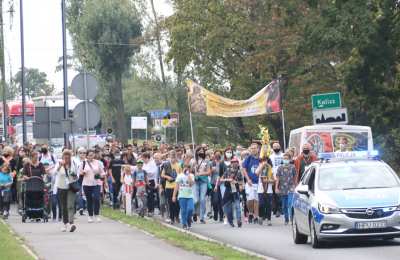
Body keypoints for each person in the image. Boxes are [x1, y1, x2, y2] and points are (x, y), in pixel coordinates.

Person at [55, 150, 79, 232]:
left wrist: (73, 174)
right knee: (63, 206)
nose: (66, 159)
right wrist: (60, 166)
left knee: (70, 205)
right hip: (61, 187)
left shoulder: (74, 164)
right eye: (65, 157)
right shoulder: (59, 163)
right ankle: (65, 224)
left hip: (71, 187)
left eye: (68, 157)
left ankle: (71, 223)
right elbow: (54, 173)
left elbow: (77, 176)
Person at [79, 149, 105, 223]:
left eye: (92, 155)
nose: (91, 156)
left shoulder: (98, 163)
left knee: (96, 198)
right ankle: (90, 216)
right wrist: (83, 173)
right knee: (89, 199)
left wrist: (100, 175)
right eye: (89, 155)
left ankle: (97, 215)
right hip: (86, 184)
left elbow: (103, 172)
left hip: (96, 183)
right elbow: (79, 174)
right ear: (86, 156)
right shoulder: (83, 163)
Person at [220, 157, 243, 227]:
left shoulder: (239, 172)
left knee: (237, 206)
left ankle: (239, 220)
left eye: (236, 162)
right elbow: (221, 179)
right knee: (227, 207)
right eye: (233, 162)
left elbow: (241, 182)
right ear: (231, 163)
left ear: (238, 163)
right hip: (228, 190)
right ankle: (230, 221)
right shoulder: (227, 171)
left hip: (235, 190)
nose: (234, 163)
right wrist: (228, 179)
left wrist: (238, 184)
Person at [173, 156, 195, 230]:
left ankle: (188, 219)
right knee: (183, 210)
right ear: (182, 168)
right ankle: (184, 224)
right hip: (182, 196)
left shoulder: (191, 175)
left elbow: (191, 184)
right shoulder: (179, 176)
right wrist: (174, 196)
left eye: (188, 167)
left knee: (190, 209)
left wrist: (188, 176)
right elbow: (176, 186)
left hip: (190, 196)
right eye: (185, 167)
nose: (187, 169)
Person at [275, 153, 296, 225]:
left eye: (287, 158)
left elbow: (295, 177)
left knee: (290, 204)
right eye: (284, 158)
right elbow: (277, 178)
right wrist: (276, 187)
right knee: (284, 206)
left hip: (290, 188)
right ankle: (286, 219)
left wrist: (295, 186)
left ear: (289, 159)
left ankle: (291, 219)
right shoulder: (280, 168)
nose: (285, 160)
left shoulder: (293, 167)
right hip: (282, 188)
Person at [242, 142, 260, 224]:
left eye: (255, 148)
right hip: (250, 182)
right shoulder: (248, 158)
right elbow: (244, 169)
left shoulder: (261, 158)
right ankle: (250, 213)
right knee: (250, 200)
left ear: (258, 149)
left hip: (259, 183)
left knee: (256, 200)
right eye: (252, 148)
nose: (253, 150)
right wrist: (248, 179)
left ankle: (256, 216)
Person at [161, 151, 181, 224]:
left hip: (176, 186)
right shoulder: (166, 165)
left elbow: (180, 175)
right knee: (170, 203)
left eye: (174, 157)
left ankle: (177, 215)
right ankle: (172, 218)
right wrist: (168, 177)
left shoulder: (178, 165)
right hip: (169, 186)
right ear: (169, 157)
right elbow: (162, 175)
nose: (173, 159)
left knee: (177, 203)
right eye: (172, 157)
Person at [193, 146, 211, 224]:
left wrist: (201, 173)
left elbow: (208, 172)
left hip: (204, 181)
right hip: (195, 181)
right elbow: (188, 170)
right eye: (199, 151)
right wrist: (194, 168)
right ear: (196, 152)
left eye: (202, 151)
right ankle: (194, 212)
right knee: (196, 199)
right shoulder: (194, 161)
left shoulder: (206, 161)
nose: (201, 152)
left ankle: (202, 217)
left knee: (202, 199)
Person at [256, 157, 274, 226]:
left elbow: (273, 180)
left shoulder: (270, 169)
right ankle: (260, 216)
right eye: (263, 161)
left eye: (266, 161)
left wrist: (268, 181)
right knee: (261, 204)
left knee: (268, 205)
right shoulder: (259, 167)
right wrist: (262, 166)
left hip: (269, 190)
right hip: (261, 190)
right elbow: (257, 173)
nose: (264, 162)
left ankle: (269, 220)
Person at [142, 152, 159, 216]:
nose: (142, 159)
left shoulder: (152, 164)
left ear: (147, 158)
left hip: (151, 181)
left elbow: (153, 172)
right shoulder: (143, 164)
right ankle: (145, 209)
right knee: (144, 196)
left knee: (150, 196)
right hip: (144, 181)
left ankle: (151, 210)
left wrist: (145, 172)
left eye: (143, 158)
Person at [269, 142, 283, 217]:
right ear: (272, 148)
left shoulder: (283, 155)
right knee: (274, 194)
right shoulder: (271, 157)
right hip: (274, 177)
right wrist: (272, 177)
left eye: (277, 146)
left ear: (280, 147)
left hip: (283, 178)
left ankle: (280, 209)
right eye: (274, 147)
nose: (276, 148)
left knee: (280, 194)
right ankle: (275, 209)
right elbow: (270, 168)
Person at [210, 150, 224, 222]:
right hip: (213, 183)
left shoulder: (222, 163)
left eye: (219, 155)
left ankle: (221, 216)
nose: (217, 156)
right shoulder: (212, 163)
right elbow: (209, 173)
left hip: (220, 183)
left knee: (221, 200)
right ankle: (215, 211)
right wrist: (211, 170)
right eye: (216, 154)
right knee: (215, 200)